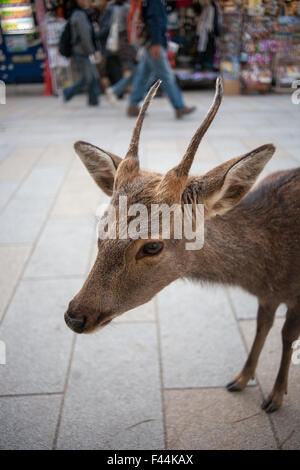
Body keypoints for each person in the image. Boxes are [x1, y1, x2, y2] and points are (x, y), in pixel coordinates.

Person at [127, 0, 196, 119]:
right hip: (154, 44)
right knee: (166, 76)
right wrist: (156, 43)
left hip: (150, 42)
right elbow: (155, 21)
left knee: (144, 75)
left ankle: (133, 104)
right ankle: (179, 106)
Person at [61, 0, 100, 106]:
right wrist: (92, 51)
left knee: (94, 76)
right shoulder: (79, 15)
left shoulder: (79, 13)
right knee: (87, 78)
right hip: (81, 51)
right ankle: (67, 93)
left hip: (82, 50)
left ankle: (94, 101)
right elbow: (84, 36)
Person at [104, 0, 138, 103]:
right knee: (137, 72)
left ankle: (115, 90)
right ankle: (116, 90)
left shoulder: (116, 8)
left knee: (137, 72)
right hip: (128, 44)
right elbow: (132, 25)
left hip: (122, 43)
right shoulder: (127, 7)